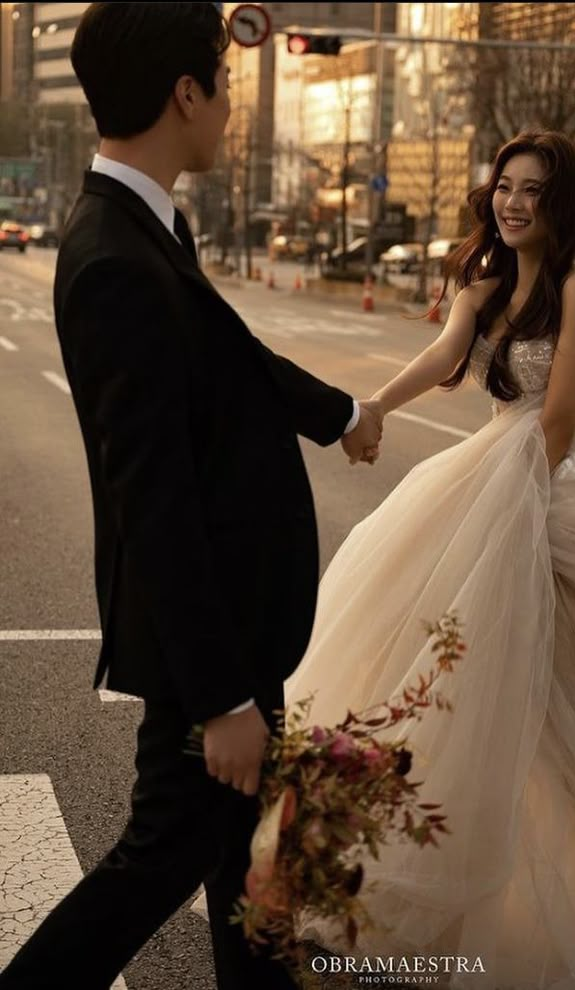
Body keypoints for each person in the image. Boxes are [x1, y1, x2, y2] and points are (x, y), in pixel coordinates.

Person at [0, 5, 382, 990]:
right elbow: (151, 497)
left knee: (247, 872)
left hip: (230, 623)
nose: (227, 109)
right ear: (186, 93)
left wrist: (335, 411)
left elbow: (224, 356)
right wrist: (221, 699)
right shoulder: (116, 258)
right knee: (162, 859)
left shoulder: (140, 225)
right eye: (221, 81)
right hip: (207, 644)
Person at [286, 131, 575, 988]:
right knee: (437, 685)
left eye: (532, 191)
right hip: (484, 477)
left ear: (562, 205)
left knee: (554, 713)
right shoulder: (482, 284)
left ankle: (557, 904)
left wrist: (518, 519)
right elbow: (447, 357)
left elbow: (556, 420)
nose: (512, 202)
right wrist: (368, 406)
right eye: (504, 187)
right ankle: (387, 882)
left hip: (549, 495)